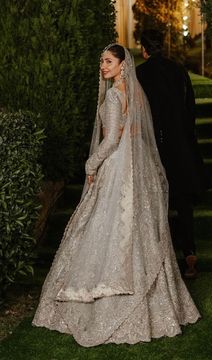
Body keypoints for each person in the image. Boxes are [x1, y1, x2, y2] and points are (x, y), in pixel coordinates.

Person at [32, 44, 200, 347]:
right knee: (139, 232)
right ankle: (157, 306)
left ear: (123, 65)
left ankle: (110, 298)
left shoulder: (113, 95)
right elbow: (135, 136)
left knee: (107, 230)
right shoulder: (136, 93)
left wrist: (90, 163)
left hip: (118, 174)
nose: (103, 66)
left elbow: (110, 143)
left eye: (108, 61)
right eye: (101, 61)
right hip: (139, 173)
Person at [136, 30, 212, 279]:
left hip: (156, 146)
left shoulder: (141, 74)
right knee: (183, 204)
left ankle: (161, 263)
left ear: (144, 50)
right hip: (181, 147)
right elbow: (190, 109)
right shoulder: (179, 70)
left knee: (158, 205)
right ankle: (190, 253)